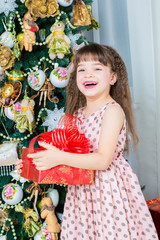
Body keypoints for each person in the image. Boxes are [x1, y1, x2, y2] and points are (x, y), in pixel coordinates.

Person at [16, 43, 158, 239]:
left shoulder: (112, 111)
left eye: (97, 68)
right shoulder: (77, 114)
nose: (88, 74)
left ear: (112, 77)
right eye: (82, 69)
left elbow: (102, 160)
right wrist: (31, 163)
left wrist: (58, 157)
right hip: (82, 192)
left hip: (108, 190)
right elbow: (63, 158)